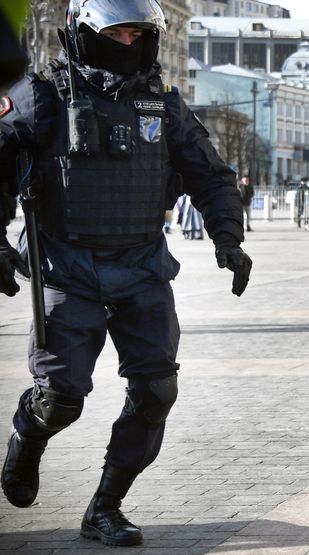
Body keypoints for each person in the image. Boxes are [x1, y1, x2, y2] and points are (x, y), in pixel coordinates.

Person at [0, 0, 252, 547]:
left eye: (140, 32)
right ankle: (29, 439)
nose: (131, 41)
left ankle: (105, 507)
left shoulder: (162, 105)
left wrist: (227, 237)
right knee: (60, 399)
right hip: (67, 268)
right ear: (86, 33)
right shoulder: (41, 97)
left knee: (157, 390)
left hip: (141, 268)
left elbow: (211, 176)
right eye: (118, 31)